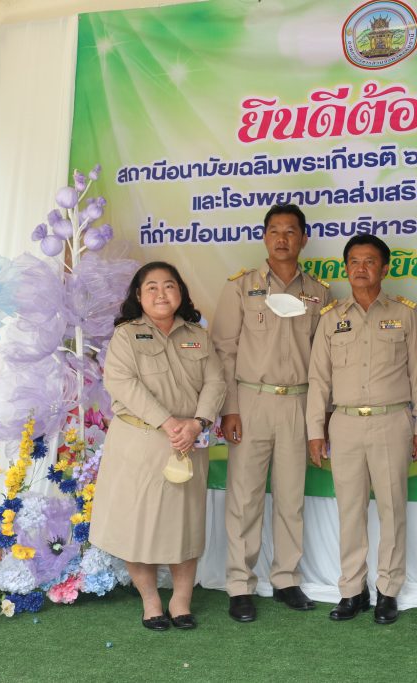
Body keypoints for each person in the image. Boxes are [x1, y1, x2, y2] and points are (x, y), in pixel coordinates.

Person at [211, 203, 331, 622]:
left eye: (291, 231)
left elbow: (323, 363)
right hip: (251, 401)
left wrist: (319, 419)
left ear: (304, 238)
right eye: (275, 231)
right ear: (264, 237)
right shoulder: (242, 287)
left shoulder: (319, 293)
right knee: (244, 498)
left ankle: (286, 579)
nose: (282, 238)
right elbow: (224, 352)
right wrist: (230, 408)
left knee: (291, 496)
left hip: (298, 402)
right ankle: (240, 584)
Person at [91, 262, 225, 631]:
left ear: (180, 292)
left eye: (169, 285)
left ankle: (181, 601)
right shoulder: (126, 336)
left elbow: (216, 382)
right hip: (141, 443)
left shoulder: (198, 335)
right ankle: (150, 601)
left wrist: (197, 423)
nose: (161, 293)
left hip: (188, 442)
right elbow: (123, 383)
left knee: (185, 524)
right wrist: (168, 423)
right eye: (151, 287)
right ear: (139, 295)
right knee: (139, 525)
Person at [306, 234, 417, 625]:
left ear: (384, 268)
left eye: (370, 261)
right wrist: (315, 430)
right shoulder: (331, 318)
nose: (361, 268)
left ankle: (388, 591)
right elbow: (318, 380)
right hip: (344, 424)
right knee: (350, 511)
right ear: (346, 268)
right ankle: (351, 590)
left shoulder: (404, 314)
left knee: (392, 509)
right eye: (354, 262)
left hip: (392, 422)